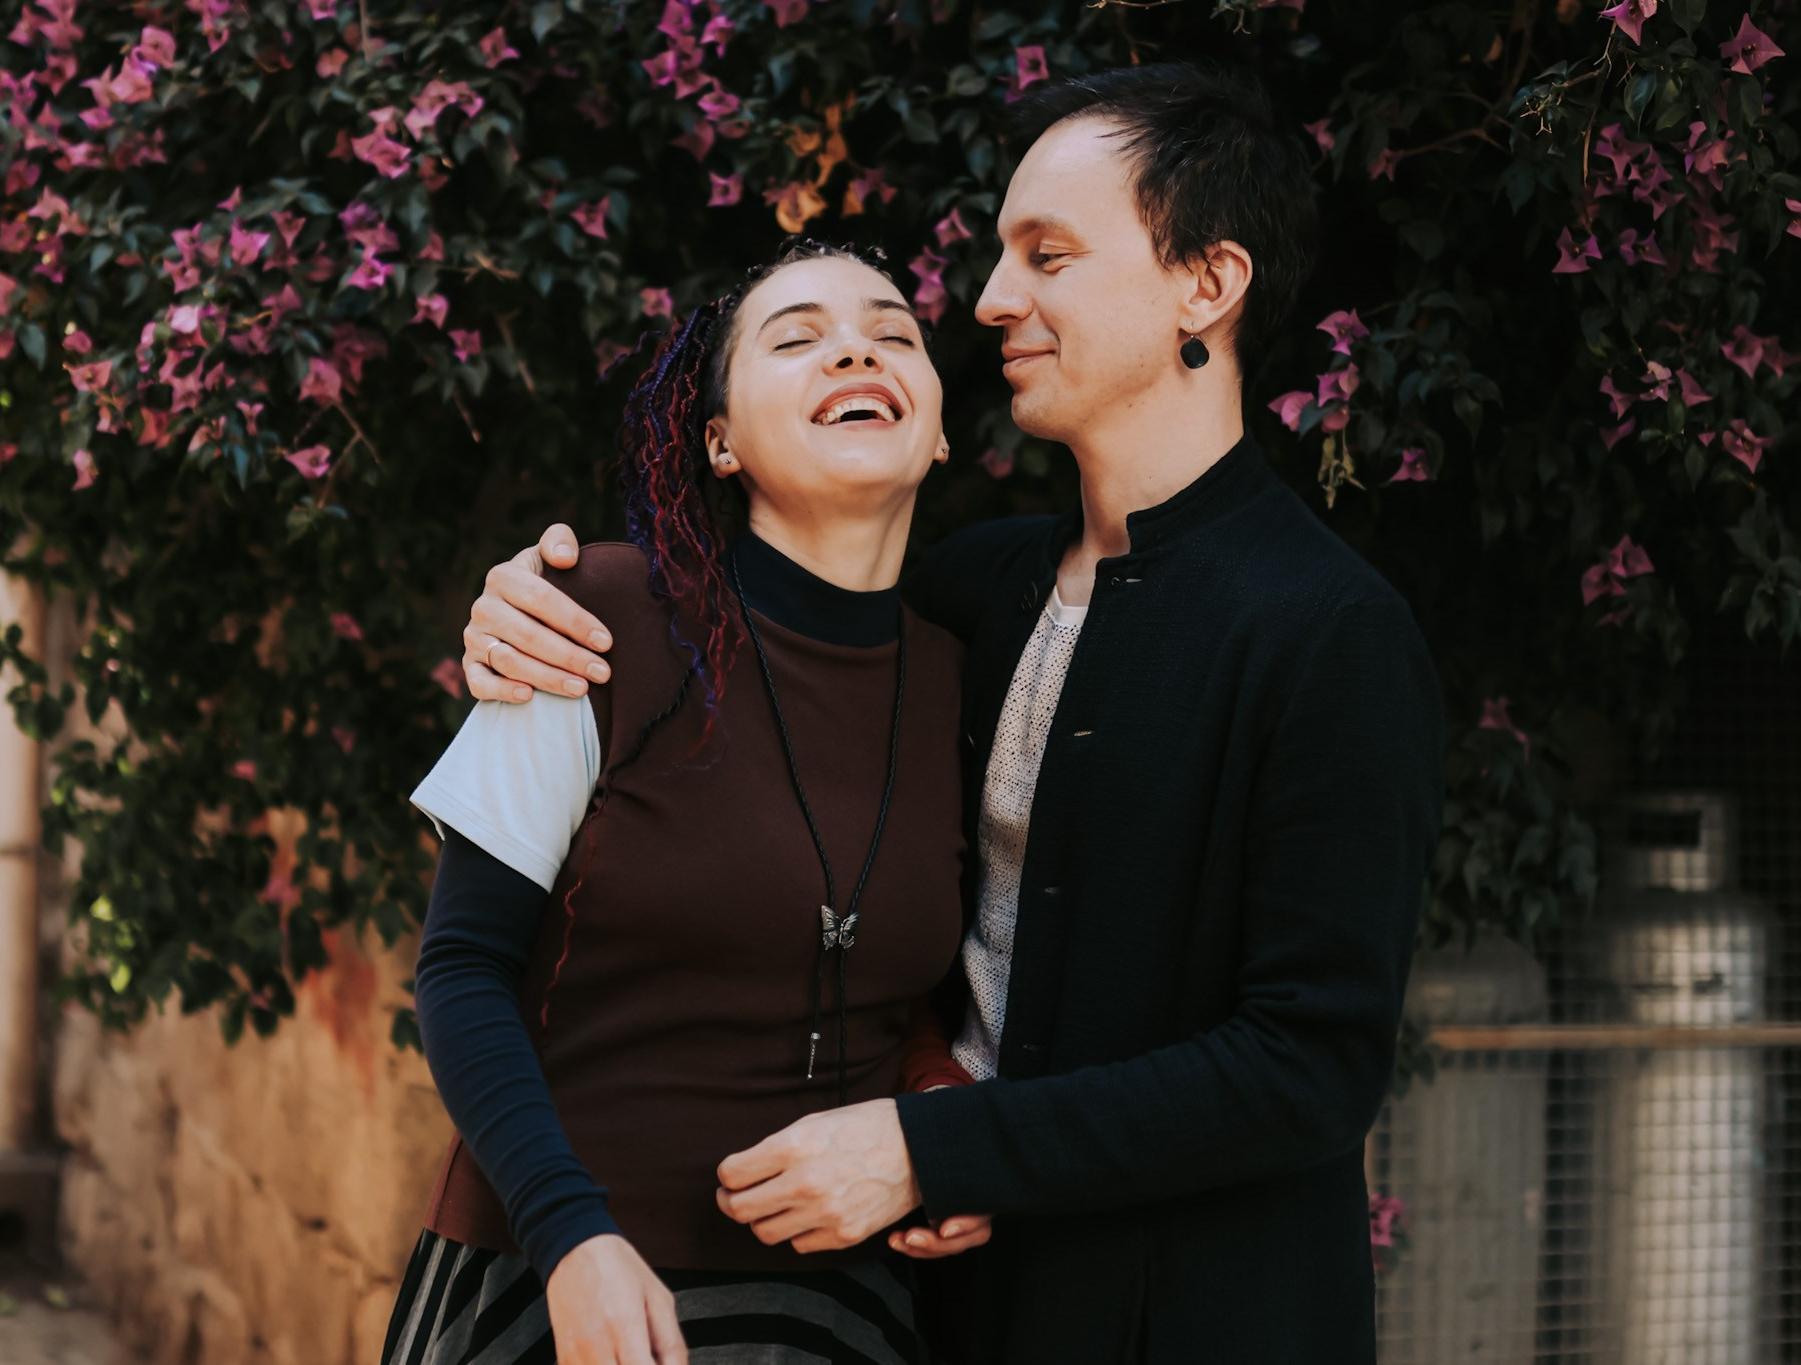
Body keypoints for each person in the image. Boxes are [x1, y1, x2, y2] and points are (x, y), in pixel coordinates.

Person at [453, 63, 1447, 1363]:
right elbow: (771, 573)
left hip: (1194, 1315)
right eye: (999, 257)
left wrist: (930, 1142)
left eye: (1049, 256)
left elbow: (1309, 1065)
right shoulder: (975, 589)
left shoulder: (1331, 633)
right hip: (941, 1307)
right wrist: (533, 597)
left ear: (1206, 284)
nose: (990, 301)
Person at [385, 240, 994, 1365]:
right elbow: (460, 971)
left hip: (832, 1315)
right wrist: (573, 1238)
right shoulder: (588, 621)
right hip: (558, 1289)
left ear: (941, 424)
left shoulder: (961, 683)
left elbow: (893, 990)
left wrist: (938, 1116)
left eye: (890, 331)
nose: (853, 345)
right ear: (718, 441)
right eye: (796, 337)